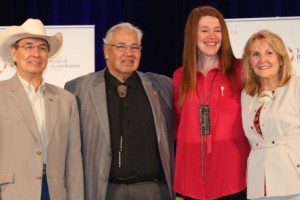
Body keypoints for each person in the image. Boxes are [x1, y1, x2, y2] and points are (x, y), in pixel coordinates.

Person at [64, 22, 175, 200]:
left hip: (153, 190)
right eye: (121, 46)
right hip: (104, 191)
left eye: (134, 47)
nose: (129, 53)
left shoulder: (164, 86)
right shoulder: (77, 89)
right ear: (106, 51)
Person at [0, 19, 84, 200]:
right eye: (28, 46)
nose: (36, 53)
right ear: (14, 53)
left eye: (42, 48)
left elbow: (74, 162)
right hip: (12, 192)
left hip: (54, 192)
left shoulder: (66, 100)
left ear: (48, 55)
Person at [173, 6, 250, 199]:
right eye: (204, 30)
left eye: (217, 30)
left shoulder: (241, 70)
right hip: (191, 182)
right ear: (192, 34)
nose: (212, 36)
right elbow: (178, 122)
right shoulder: (179, 77)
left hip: (234, 179)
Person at [241, 29, 300, 200]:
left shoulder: (296, 86)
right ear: (249, 62)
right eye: (256, 54)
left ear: (281, 58)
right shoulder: (246, 95)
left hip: (293, 179)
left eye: (269, 53)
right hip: (258, 183)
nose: (262, 60)